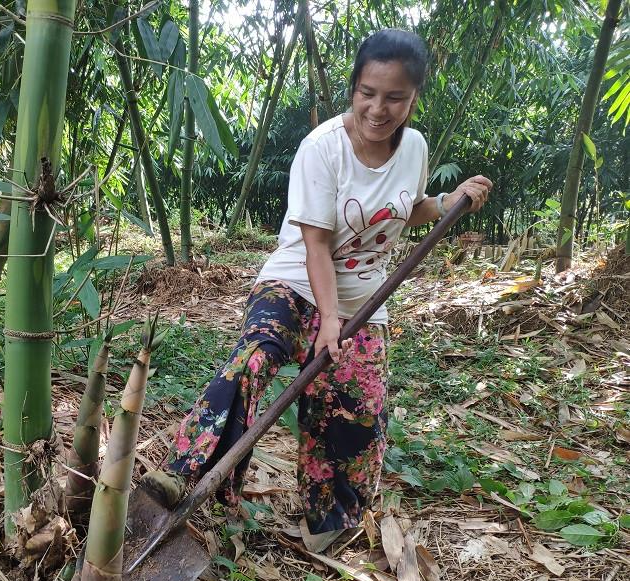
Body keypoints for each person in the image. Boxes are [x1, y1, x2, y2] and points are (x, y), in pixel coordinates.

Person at [141, 29, 493, 545]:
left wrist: (445, 201)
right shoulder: (322, 148)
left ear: (414, 98)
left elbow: (406, 208)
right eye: (367, 93)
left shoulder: (414, 147)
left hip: (364, 301)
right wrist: (328, 320)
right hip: (294, 280)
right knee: (256, 356)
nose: (379, 108)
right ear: (352, 89)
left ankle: (328, 523)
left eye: (395, 97)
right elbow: (315, 245)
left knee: (356, 404)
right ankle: (182, 472)